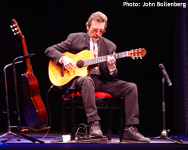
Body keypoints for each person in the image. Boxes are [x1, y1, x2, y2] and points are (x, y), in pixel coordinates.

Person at [45, 11, 150, 143]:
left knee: (131, 87)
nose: (98, 34)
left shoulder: (110, 46)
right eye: (95, 30)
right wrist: (63, 59)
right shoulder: (75, 38)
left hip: (101, 80)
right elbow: (49, 50)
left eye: (102, 31)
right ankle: (94, 123)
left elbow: (110, 75)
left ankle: (130, 129)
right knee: (87, 80)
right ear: (88, 27)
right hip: (80, 80)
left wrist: (112, 67)